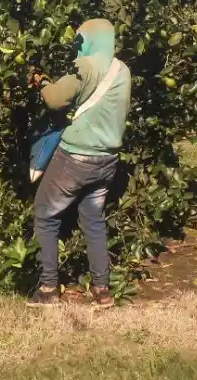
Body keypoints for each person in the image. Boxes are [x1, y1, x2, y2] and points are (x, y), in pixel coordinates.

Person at [26, 19, 132, 308]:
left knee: (45, 214)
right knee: (93, 219)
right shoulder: (122, 69)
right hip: (107, 160)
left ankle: (48, 288)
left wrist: (41, 81)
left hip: (75, 158)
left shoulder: (85, 65)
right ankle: (102, 289)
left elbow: (55, 100)